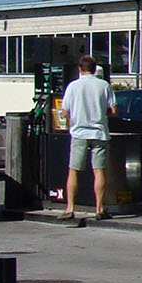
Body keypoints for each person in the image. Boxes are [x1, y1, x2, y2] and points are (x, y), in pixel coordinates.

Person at [61, 55, 117, 221]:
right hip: (99, 132)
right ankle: (99, 208)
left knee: (74, 170)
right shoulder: (103, 85)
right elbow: (114, 110)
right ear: (95, 69)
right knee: (99, 170)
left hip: (79, 133)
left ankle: (70, 208)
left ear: (80, 69)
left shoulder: (73, 86)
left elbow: (65, 111)